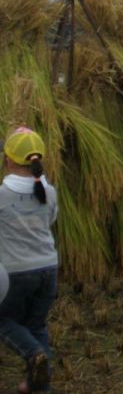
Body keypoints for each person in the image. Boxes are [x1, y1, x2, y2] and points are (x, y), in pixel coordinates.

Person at [0, 128, 57, 393]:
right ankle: (40, 386)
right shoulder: (50, 191)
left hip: (15, 273)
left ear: (8, 161)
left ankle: (34, 354)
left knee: (4, 320)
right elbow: (50, 220)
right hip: (48, 268)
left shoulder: (2, 195)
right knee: (36, 324)